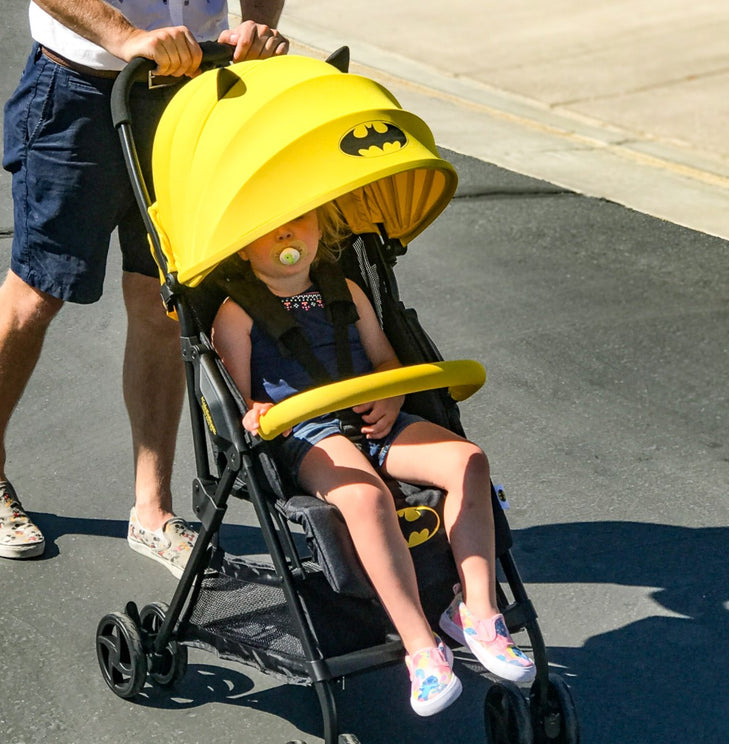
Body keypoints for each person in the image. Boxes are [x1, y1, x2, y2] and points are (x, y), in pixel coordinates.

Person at [0, 0, 289, 574]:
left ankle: (153, 511)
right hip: (79, 90)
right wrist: (125, 34)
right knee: (37, 291)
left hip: (188, 93)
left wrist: (259, 24)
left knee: (164, 303)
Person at [211, 204, 536, 716]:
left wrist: (389, 397)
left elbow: (384, 358)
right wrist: (256, 412)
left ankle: (477, 610)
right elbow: (239, 398)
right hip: (306, 432)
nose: (287, 231)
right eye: (270, 226)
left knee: (469, 461)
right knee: (365, 495)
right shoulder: (237, 311)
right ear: (243, 246)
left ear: (322, 229)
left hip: (376, 417)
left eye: (300, 220)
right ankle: (420, 646)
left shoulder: (346, 289)